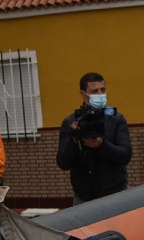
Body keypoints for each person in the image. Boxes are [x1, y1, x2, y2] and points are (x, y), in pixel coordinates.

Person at [55, 72, 132, 204]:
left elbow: (125, 156)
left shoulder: (115, 118)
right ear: (83, 94)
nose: (100, 94)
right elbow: (63, 163)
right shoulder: (71, 122)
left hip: (115, 194)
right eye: (94, 91)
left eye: (102, 90)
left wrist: (102, 146)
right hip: (84, 198)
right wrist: (74, 141)